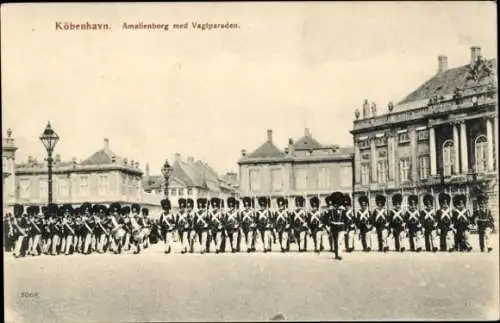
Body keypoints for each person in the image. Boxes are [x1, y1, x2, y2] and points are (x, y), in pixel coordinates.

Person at [328, 192, 344, 260]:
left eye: (337, 203)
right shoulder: (330, 210)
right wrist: (328, 226)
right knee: (335, 241)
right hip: (334, 227)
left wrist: (345, 228)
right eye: (335, 203)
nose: (336, 205)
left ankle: (339, 254)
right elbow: (326, 219)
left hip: (341, 227)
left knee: (339, 241)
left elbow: (345, 219)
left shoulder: (343, 210)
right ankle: (336, 254)